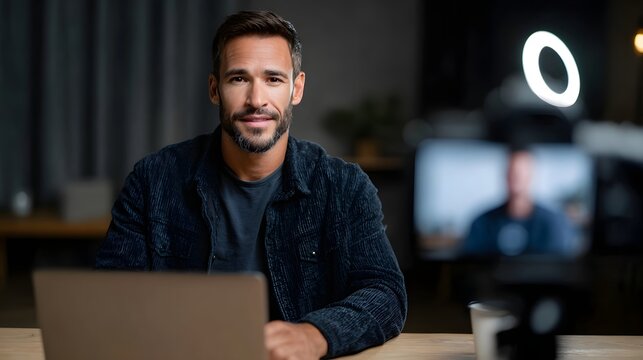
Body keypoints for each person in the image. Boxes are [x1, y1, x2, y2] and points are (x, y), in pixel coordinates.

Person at [95, 10, 407, 359]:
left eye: (273, 79)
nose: (256, 100)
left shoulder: (344, 187)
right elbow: (112, 297)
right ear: (215, 89)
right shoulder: (152, 180)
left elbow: (385, 293)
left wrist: (314, 335)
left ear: (296, 88)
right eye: (239, 79)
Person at [462, 147, 577, 257]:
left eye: (521, 172)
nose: (516, 177)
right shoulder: (481, 223)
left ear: (531, 175)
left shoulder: (554, 223)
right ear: (505, 174)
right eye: (511, 171)